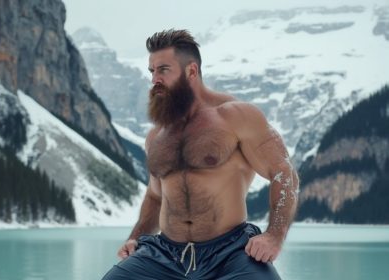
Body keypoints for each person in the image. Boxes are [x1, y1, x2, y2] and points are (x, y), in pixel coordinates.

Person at [101, 29, 299, 280]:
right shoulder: (157, 136)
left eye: (163, 70)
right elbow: (155, 195)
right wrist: (135, 238)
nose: (154, 80)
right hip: (164, 255)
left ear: (191, 71)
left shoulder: (236, 117)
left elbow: (283, 172)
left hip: (230, 252)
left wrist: (274, 235)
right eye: (152, 72)